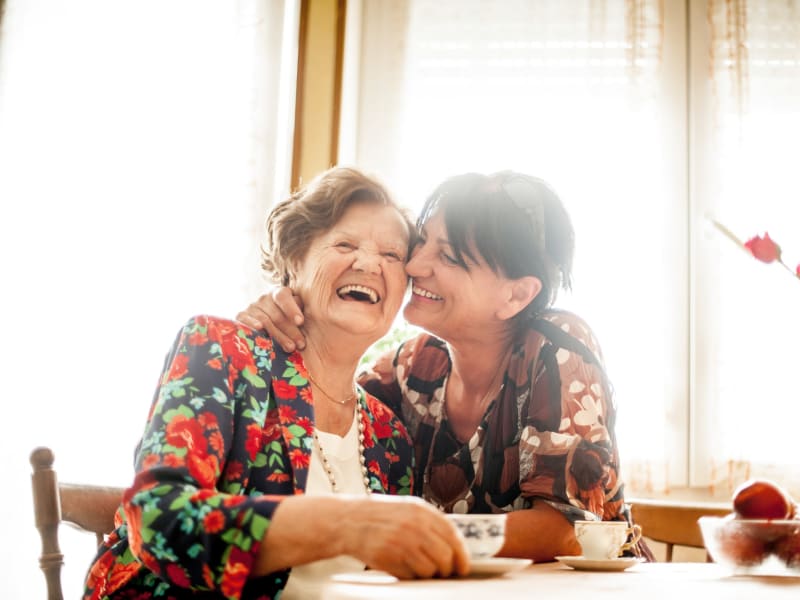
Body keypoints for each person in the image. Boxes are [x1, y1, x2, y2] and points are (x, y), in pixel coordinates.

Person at [83, 167, 470, 600]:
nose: (368, 264)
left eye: (392, 256)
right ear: (294, 261)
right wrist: (344, 524)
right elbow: (157, 518)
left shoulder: (389, 435)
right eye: (344, 244)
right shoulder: (222, 351)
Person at [237, 170, 654, 563]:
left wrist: (417, 534)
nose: (414, 266)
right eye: (422, 243)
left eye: (450, 256)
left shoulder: (557, 347)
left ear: (515, 295)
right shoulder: (414, 365)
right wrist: (289, 307)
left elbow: (566, 528)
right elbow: (327, 398)